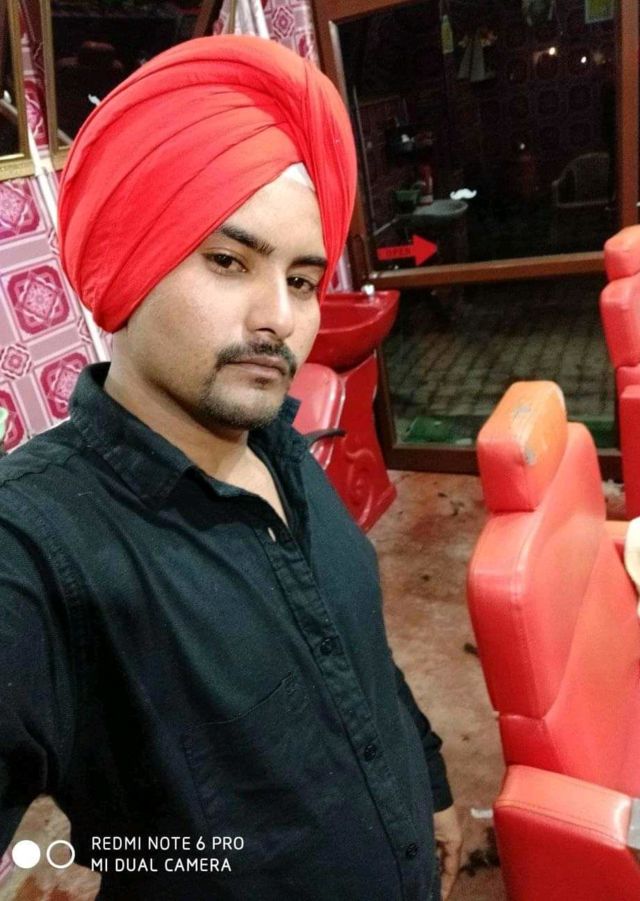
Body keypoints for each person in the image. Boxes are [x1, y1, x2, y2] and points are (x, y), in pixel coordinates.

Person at [0, 35, 461, 900]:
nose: (277, 317)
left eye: (302, 280)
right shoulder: (38, 547)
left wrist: (428, 784)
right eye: (228, 261)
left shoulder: (283, 446)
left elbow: (359, 654)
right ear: (128, 263)